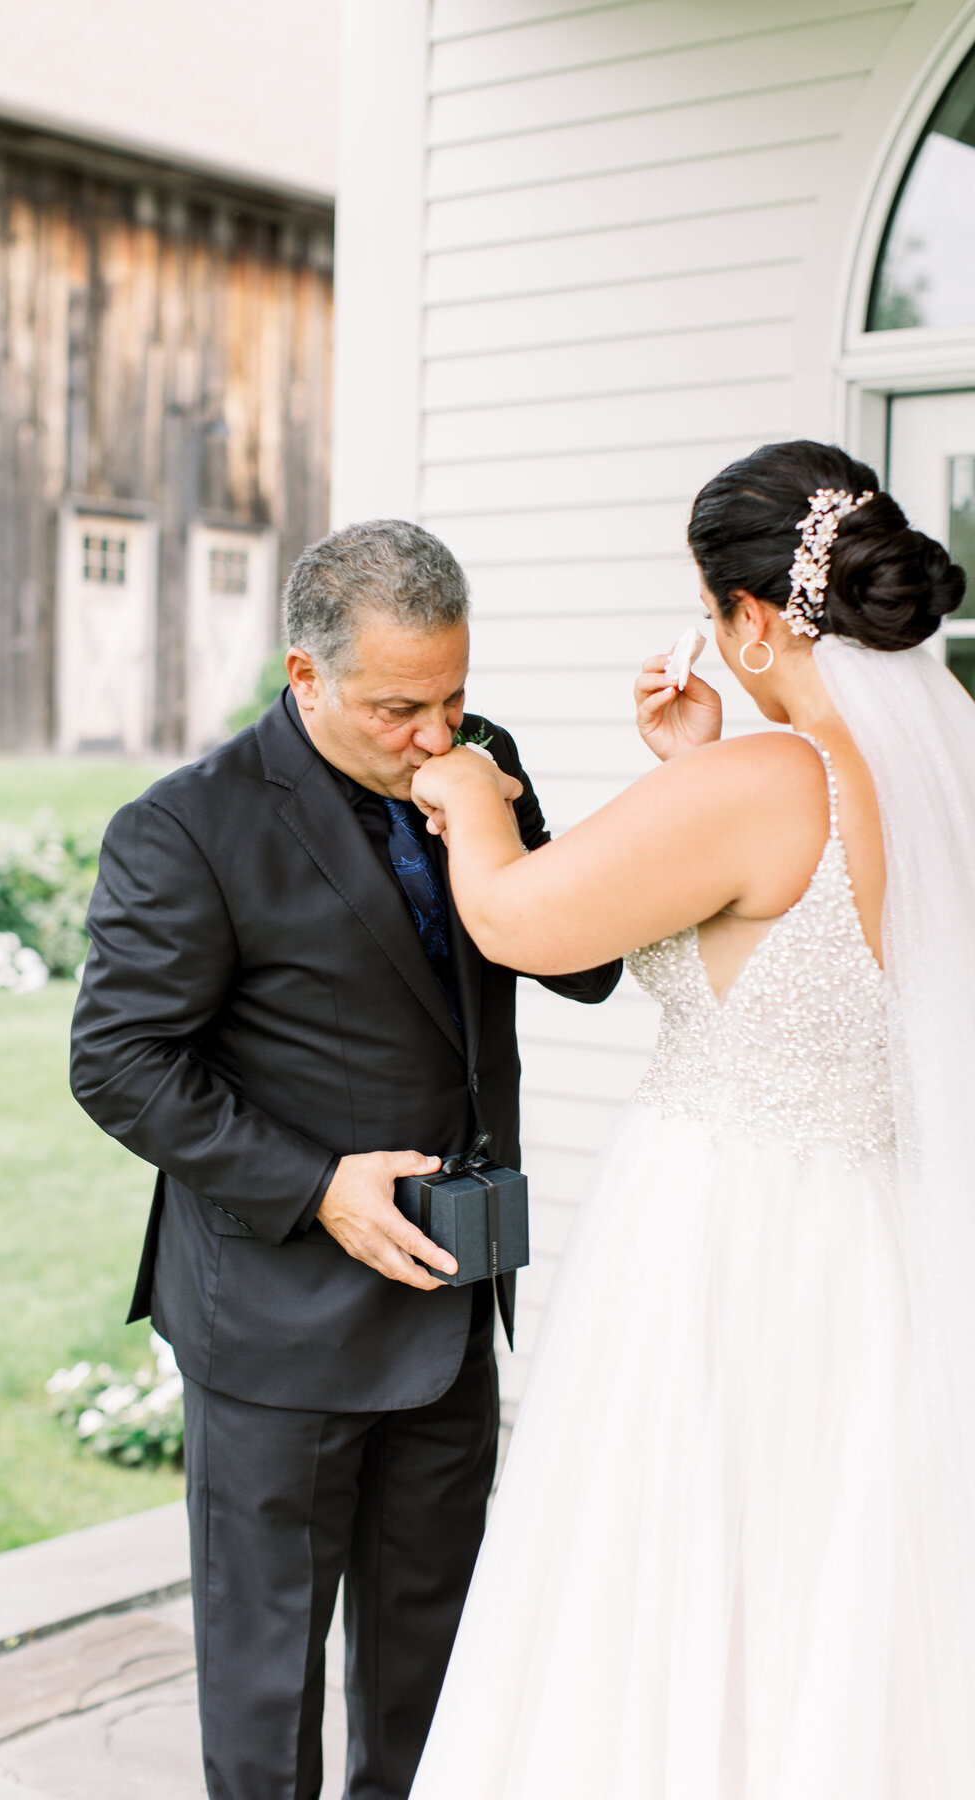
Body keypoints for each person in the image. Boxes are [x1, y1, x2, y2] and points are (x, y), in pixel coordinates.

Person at [406, 441, 975, 1799]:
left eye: (715, 616)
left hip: (724, 1254)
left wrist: (475, 797)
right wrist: (689, 766)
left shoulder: (778, 782)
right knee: (818, 1600)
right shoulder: (933, 785)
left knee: (673, 1591)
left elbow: (517, 915)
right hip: (873, 1247)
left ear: (757, 617)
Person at [68, 519, 620, 1800]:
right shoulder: (185, 830)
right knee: (268, 1700)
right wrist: (320, 1186)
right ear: (306, 678)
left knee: (430, 1678)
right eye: (397, 709)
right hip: (278, 1328)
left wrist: (500, 812)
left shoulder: (478, 767)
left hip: (451, 1299)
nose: (434, 736)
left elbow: (581, 962)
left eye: (455, 699)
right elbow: (121, 1064)